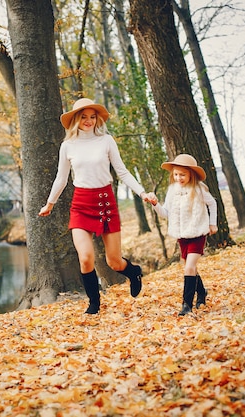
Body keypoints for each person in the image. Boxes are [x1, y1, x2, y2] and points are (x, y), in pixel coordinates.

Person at [38, 98, 157, 314]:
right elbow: (61, 178)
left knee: (114, 262)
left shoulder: (106, 141)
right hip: (81, 204)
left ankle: (134, 272)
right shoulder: (68, 146)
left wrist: (142, 192)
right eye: (84, 116)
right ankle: (94, 303)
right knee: (85, 258)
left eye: (93, 117)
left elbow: (122, 171)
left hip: (105, 202)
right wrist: (49, 203)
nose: (89, 121)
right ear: (75, 119)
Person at [151, 154, 217, 316]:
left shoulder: (199, 189)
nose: (179, 178)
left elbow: (213, 203)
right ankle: (202, 292)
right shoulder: (172, 190)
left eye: (182, 175)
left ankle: (187, 305)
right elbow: (166, 213)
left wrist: (212, 223)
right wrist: (155, 204)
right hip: (182, 235)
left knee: (189, 267)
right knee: (190, 268)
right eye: (176, 174)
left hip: (198, 233)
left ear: (190, 174)